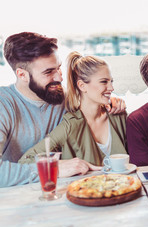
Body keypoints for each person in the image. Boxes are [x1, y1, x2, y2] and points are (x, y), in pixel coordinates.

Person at [0, 32, 125, 187]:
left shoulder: (62, 97)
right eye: (48, 72)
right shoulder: (4, 105)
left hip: (58, 190)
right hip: (14, 196)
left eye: (58, 68)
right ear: (22, 74)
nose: (59, 78)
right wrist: (54, 168)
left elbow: (90, 100)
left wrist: (112, 102)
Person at [19, 52, 127, 165]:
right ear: (82, 86)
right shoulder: (70, 126)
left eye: (111, 81)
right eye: (104, 82)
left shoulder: (119, 115)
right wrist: (62, 166)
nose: (111, 88)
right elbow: (26, 160)